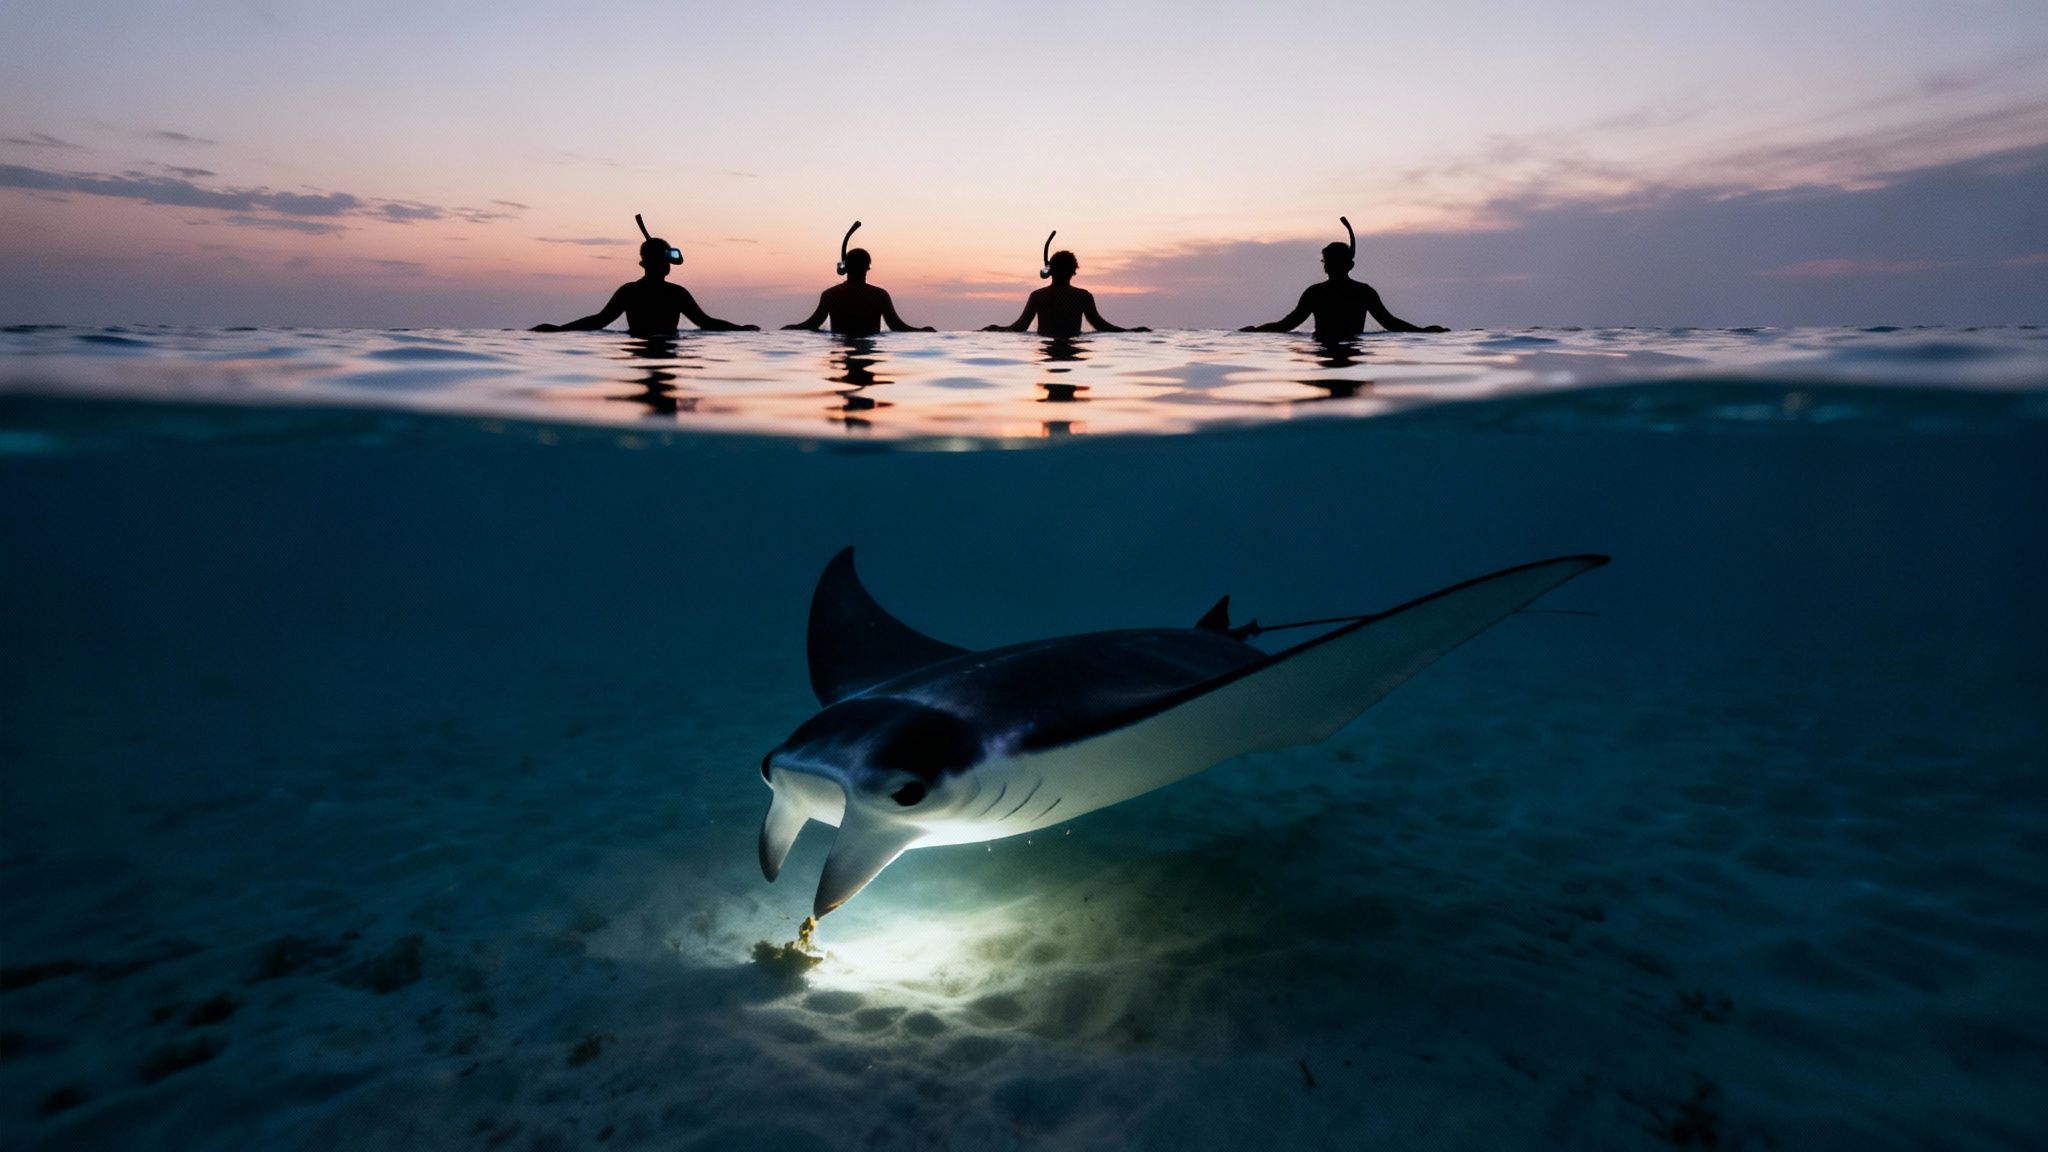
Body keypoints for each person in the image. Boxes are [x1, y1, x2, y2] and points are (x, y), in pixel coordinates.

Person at [532, 234, 756, 336]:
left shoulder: (632, 291)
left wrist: (559, 330)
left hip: (638, 351)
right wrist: (741, 330)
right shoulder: (673, 293)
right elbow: (706, 323)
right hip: (667, 351)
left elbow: (598, 321)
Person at [1243, 241, 1446, 337]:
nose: (1327, 265)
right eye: (1326, 261)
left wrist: (1253, 332)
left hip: (1326, 348)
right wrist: (1423, 332)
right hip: (1350, 348)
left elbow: (1286, 325)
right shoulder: (1320, 292)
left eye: (1329, 261)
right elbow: (1390, 323)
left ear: (1348, 265)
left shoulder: (1322, 292)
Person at [981, 250, 1149, 337]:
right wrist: (1131, 331)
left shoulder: (1038, 296)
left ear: (1049, 271)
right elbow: (1101, 326)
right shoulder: (1082, 296)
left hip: (1045, 347)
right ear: (1074, 271)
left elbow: (1019, 328)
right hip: (1073, 347)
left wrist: (995, 329)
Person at [783, 249, 935, 337]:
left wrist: (788, 329)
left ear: (844, 268)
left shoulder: (830, 295)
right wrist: (922, 331)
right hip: (869, 348)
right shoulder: (879, 295)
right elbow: (897, 327)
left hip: (840, 347)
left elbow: (811, 325)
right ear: (868, 267)